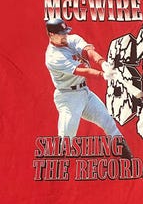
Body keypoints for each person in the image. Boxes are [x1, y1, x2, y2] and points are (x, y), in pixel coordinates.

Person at [45, 18, 132, 158]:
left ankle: (129, 161)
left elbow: (87, 52)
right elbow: (81, 70)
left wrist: (102, 63)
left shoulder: (72, 39)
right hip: (68, 98)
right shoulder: (53, 56)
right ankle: (58, 166)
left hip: (85, 93)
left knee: (108, 122)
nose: (65, 35)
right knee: (66, 139)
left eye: (65, 32)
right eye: (61, 34)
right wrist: (102, 75)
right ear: (51, 35)